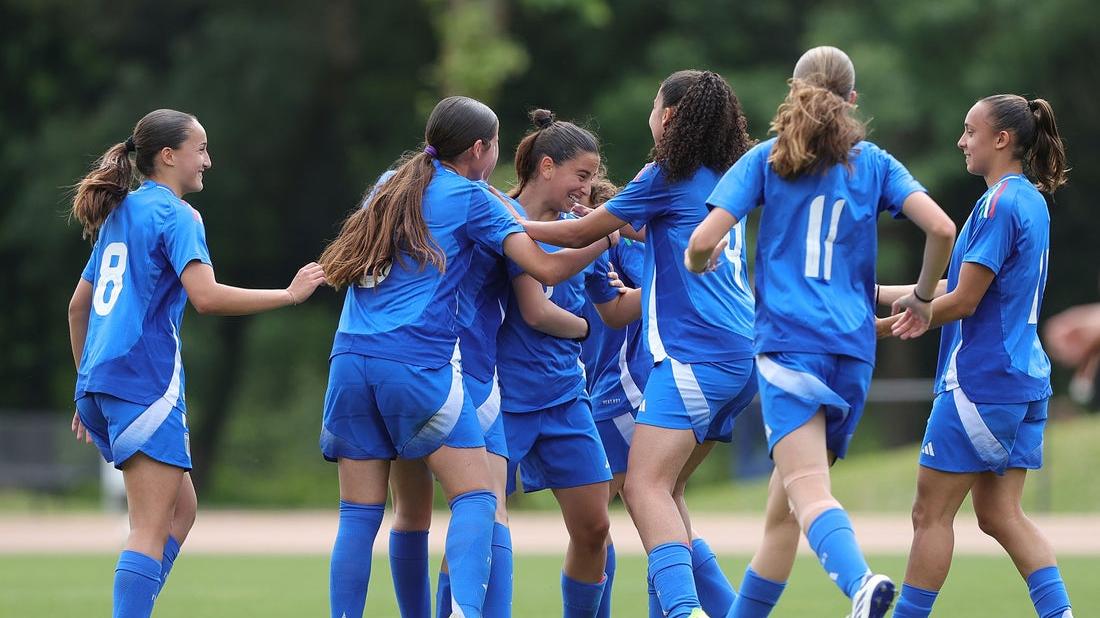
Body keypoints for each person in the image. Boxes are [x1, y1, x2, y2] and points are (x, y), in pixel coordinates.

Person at [687, 46, 956, 618]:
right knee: (781, 513)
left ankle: (859, 584)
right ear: (852, 100)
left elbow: (702, 242)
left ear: (793, 90)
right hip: (853, 354)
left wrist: (696, 262)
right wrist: (926, 299)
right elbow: (941, 228)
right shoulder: (876, 163)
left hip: (790, 347)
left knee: (805, 489)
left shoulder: (767, 159)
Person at [317, 96, 611, 618]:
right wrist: (607, 232)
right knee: (479, 497)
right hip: (431, 365)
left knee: (364, 515)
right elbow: (544, 268)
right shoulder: (475, 196)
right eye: (494, 147)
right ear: (480, 148)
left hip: (349, 357)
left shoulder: (393, 181)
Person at [67, 109, 327, 618]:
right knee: (149, 526)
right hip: (143, 382)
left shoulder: (121, 211)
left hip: (100, 382)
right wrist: (289, 295)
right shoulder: (177, 215)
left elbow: (78, 307)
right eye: (200, 149)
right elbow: (205, 298)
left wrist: (86, 383)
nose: (208, 160)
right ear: (168, 156)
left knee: (181, 511)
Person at [522, 71, 756, 618]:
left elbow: (580, 235)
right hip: (740, 356)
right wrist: (608, 223)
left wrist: (509, 223)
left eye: (655, 104)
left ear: (668, 115)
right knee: (667, 494)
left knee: (643, 488)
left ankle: (683, 612)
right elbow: (653, 230)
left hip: (696, 355)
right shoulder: (726, 179)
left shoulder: (665, 174)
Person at [878, 94, 1073, 618]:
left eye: (970, 131)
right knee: (1001, 515)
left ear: (1001, 139)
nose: (962, 141)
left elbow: (963, 301)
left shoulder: (996, 205)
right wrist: (878, 292)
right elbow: (960, 284)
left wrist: (889, 326)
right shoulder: (1027, 199)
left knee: (930, 515)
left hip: (980, 383)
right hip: (1021, 382)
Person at [494, 109, 641, 618]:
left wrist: (669, 284)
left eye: (594, 177)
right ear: (548, 166)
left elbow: (614, 311)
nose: (589, 187)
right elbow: (537, 312)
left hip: (564, 397)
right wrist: (581, 328)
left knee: (595, 528)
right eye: (582, 175)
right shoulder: (503, 220)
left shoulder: (583, 232)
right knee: (483, 524)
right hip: (503, 397)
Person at [576, 175, 652, 618]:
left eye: (584, 179)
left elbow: (661, 282)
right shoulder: (563, 239)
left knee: (601, 517)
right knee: (599, 524)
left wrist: (635, 293)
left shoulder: (618, 240)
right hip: (597, 388)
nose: (577, 189)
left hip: (622, 387)